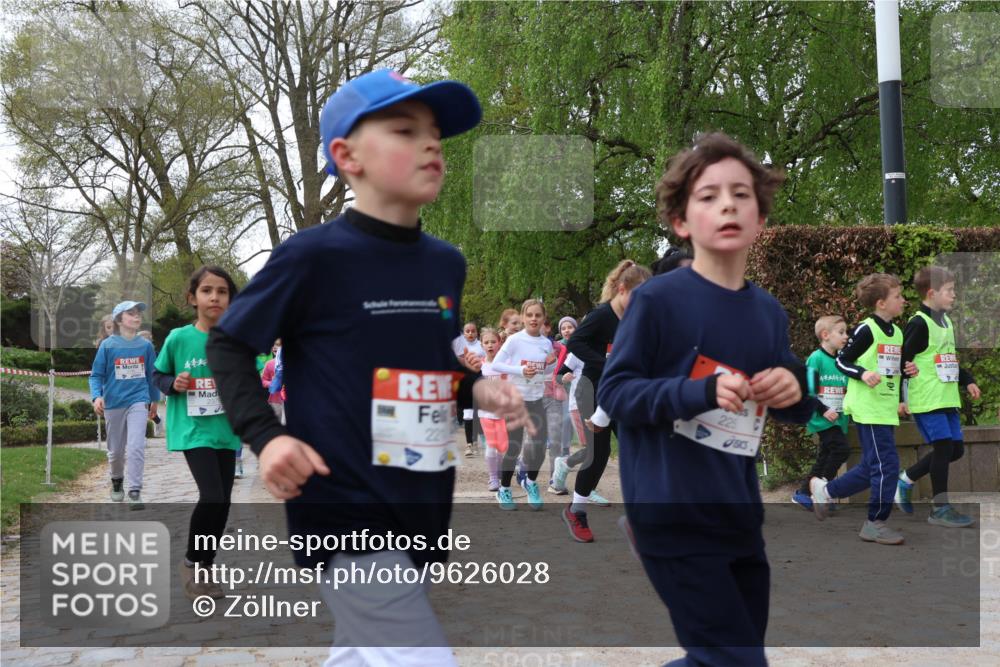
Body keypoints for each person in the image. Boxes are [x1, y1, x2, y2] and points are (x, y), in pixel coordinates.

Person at [205, 69, 530, 667]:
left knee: (364, 652)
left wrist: (480, 389)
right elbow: (227, 345)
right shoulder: (312, 256)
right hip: (343, 501)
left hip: (422, 497)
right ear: (345, 156)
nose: (431, 144)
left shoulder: (444, 264)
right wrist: (265, 436)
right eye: (405, 129)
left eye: (435, 133)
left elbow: (429, 372)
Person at [598, 132, 815, 667]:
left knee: (723, 658)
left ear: (760, 219)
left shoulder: (768, 311)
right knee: (736, 661)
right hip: (669, 512)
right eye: (709, 195)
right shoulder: (657, 300)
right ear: (681, 221)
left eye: (742, 194)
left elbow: (789, 395)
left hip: (738, 514)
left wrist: (793, 392)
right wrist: (698, 391)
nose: (727, 204)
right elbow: (616, 393)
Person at [152, 266, 241, 600]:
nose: (214, 297)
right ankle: (192, 562)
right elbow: (158, 375)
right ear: (193, 298)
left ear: (230, 300)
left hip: (225, 429)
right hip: (192, 429)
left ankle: (207, 565)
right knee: (213, 495)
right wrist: (172, 385)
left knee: (224, 501)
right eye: (206, 290)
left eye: (221, 291)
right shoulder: (179, 338)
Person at [810, 273, 917, 546]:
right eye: (897, 296)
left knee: (873, 465)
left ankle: (826, 490)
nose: (903, 300)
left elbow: (893, 370)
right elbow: (842, 361)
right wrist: (862, 373)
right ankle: (875, 523)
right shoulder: (867, 329)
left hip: (886, 407)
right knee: (888, 464)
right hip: (868, 407)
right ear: (881, 303)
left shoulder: (898, 331)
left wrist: (907, 379)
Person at [555, 260, 651, 541]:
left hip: (622, 393)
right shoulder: (601, 315)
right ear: (622, 289)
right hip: (592, 391)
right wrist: (606, 364)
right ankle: (577, 511)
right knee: (597, 457)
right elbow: (575, 343)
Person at [896, 266, 980, 527]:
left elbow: (949, 359)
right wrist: (901, 396)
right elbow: (901, 360)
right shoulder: (919, 323)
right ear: (932, 293)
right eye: (949, 291)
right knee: (943, 446)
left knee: (955, 450)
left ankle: (906, 478)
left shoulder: (946, 322)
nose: (954, 295)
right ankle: (939, 508)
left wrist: (968, 381)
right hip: (927, 398)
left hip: (947, 398)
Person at [89, 300, 160, 508]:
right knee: (116, 451)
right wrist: (97, 397)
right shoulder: (108, 345)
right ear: (119, 319)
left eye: (138, 313)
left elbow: (152, 376)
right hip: (113, 403)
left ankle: (135, 490)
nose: (137, 317)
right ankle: (117, 480)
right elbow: (96, 376)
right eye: (131, 314)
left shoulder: (145, 346)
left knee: (136, 445)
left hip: (138, 400)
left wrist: (154, 400)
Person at [488, 299, 554, 510]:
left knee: (540, 447)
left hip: (537, 400)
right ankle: (504, 489)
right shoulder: (515, 340)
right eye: (530, 315)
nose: (534, 319)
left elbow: (545, 373)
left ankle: (530, 482)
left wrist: (550, 368)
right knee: (514, 447)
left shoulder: (546, 343)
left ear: (543, 318)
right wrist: (520, 370)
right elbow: (496, 364)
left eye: (538, 315)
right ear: (524, 317)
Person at [791, 315, 850, 510]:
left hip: (838, 417)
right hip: (821, 417)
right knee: (841, 450)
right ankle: (822, 491)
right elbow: (808, 390)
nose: (846, 336)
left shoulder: (843, 360)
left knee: (825, 454)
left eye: (846, 332)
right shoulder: (815, 359)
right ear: (825, 335)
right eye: (841, 332)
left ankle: (803, 493)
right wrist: (823, 410)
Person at [478, 327, 509, 491]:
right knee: (492, 445)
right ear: (482, 345)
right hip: (486, 412)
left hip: (504, 412)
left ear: (499, 343)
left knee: (502, 446)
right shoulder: (479, 366)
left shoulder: (506, 364)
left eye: (493, 341)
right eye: (486, 342)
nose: (490, 345)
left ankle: (500, 472)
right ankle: (493, 478)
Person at [452, 322, 485, 456]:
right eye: (467, 331)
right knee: (468, 413)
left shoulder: (481, 346)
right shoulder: (460, 346)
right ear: (464, 333)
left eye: (473, 331)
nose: (470, 333)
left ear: (477, 332)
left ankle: (480, 441)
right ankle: (469, 444)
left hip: (479, 380)